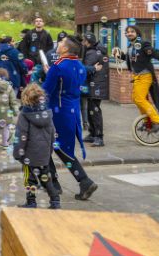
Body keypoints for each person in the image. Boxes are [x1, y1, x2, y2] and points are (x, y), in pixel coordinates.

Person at [42, 35, 98, 201]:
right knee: (61, 149)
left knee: (47, 147)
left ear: (65, 49)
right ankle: (80, 182)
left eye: (60, 43)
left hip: (57, 113)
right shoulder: (79, 66)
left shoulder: (57, 66)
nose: (58, 44)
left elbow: (46, 92)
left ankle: (68, 182)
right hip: (72, 113)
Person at [112, 25, 159, 133]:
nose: (129, 33)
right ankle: (147, 121)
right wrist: (119, 55)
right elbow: (128, 58)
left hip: (145, 75)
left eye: (132, 31)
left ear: (137, 33)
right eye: (127, 32)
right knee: (136, 99)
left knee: (139, 98)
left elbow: (155, 52)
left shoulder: (143, 44)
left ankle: (157, 121)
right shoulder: (131, 47)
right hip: (137, 76)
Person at [13, 84, 60, 209]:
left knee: (30, 179)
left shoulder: (24, 115)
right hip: (44, 153)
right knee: (46, 178)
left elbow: (20, 136)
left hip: (29, 154)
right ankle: (55, 201)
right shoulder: (47, 113)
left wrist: (17, 153)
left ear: (25, 98)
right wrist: (49, 151)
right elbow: (52, 134)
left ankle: (31, 202)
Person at [81, 33, 109, 147]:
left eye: (84, 41)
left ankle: (99, 137)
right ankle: (92, 134)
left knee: (95, 111)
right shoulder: (95, 50)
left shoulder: (92, 53)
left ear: (88, 42)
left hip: (96, 85)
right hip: (94, 85)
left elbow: (85, 69)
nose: (82, 43)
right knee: (90, 110)